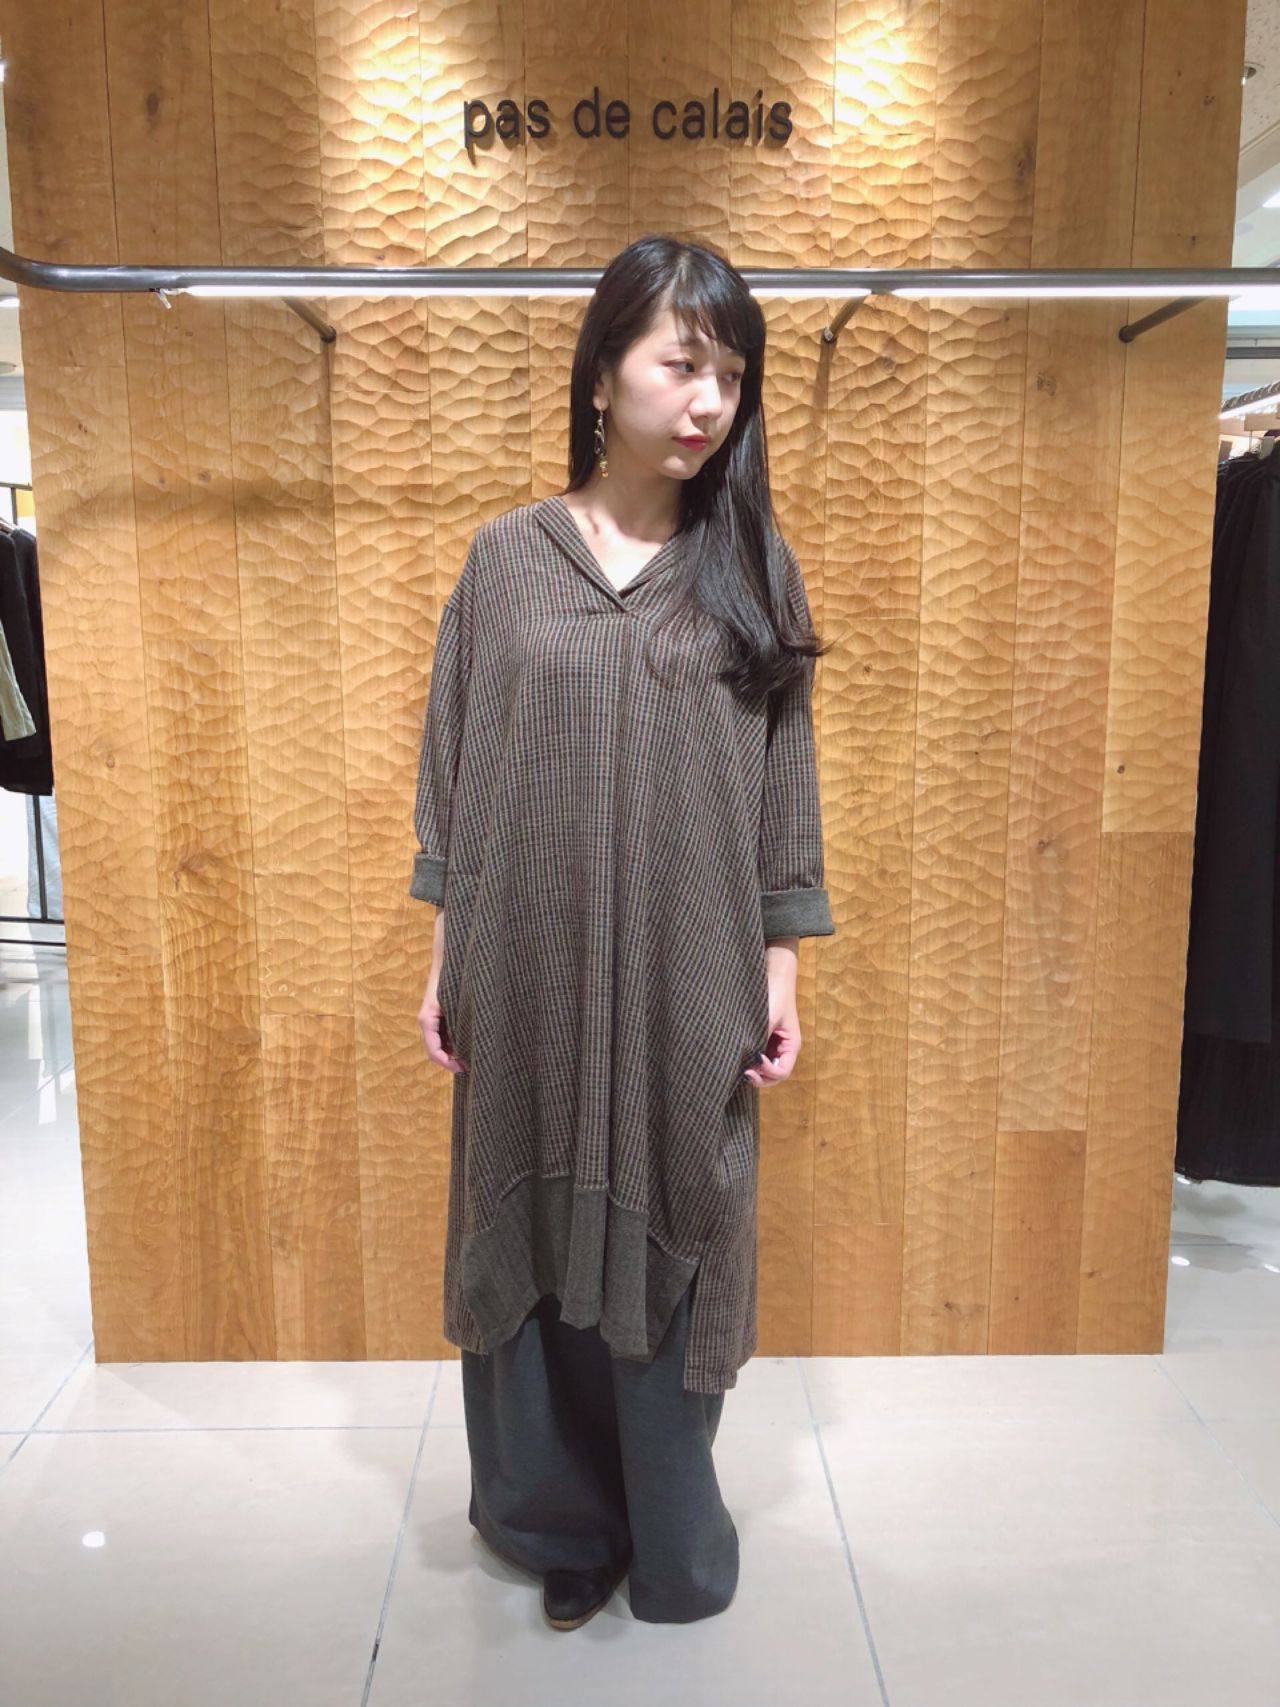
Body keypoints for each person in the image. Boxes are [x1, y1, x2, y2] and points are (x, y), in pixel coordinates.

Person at [410, 233, 837, 1628]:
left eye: (733, 376)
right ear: (603, 375)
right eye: (682, 365)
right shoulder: (504, 559)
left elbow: (784, 788)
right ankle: (554, 1526)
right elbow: (453, 767)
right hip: (523, 963)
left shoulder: (751, 568)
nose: (710, 402)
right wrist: (443, 959)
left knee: (680, 1212)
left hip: (687, 969)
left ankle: (666, 1523)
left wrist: (780, 967)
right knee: (526, 1215)